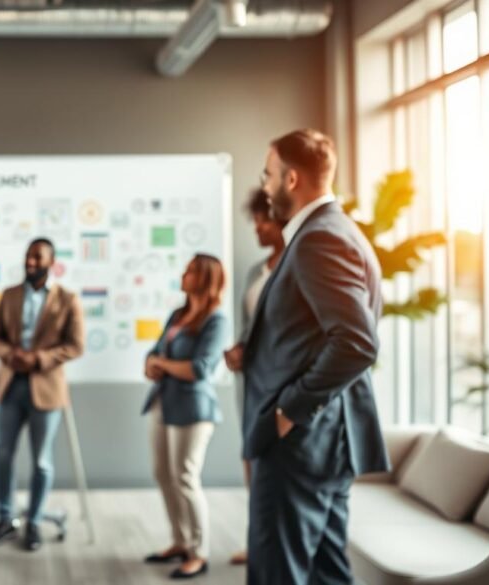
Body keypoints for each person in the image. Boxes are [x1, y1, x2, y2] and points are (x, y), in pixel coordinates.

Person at [241, 129, 388, 585]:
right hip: (322, 441)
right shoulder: (335, 231)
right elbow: (314, 334)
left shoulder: (319, 238)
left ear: (291, 179)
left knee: (277, 572)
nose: (264, 186)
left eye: (268, 174)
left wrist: (288, 411)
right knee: (326, 572)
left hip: (301, 442)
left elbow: (357, 343)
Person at [0, 238, 85, 552]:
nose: (30, 262)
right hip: (10, 384)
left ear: (51, 262)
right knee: (1, 452)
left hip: (46, 387)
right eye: (28, 256)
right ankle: (4, 519)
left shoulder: (67, 299)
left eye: (37, 257)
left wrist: (38, 359)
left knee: (41, 461)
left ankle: (35, 522)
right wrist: (10, 353)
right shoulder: (10, 295)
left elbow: (75, 345)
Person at [142, 254, 230, 580]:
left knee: (185, 477)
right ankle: (179, 541)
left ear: (205, 278)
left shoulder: (215, 321)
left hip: (193, 410)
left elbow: (200, 369)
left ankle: (199, 551)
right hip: (163, 402)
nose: (184, 273)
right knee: (163, 474)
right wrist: (152, 362)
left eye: (191, 270)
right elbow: (155, 352)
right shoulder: (178, 314)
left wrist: (161, 365)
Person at [223, 188, 287, 566]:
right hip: (251, 383)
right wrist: (238, 349)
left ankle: (278, 542)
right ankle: (258, 541)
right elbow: (252, 327)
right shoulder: (255, 271)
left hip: (281, 385)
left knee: (278, 463)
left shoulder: (295, 268)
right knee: (251, 458)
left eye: (263, 220)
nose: (258, 229)